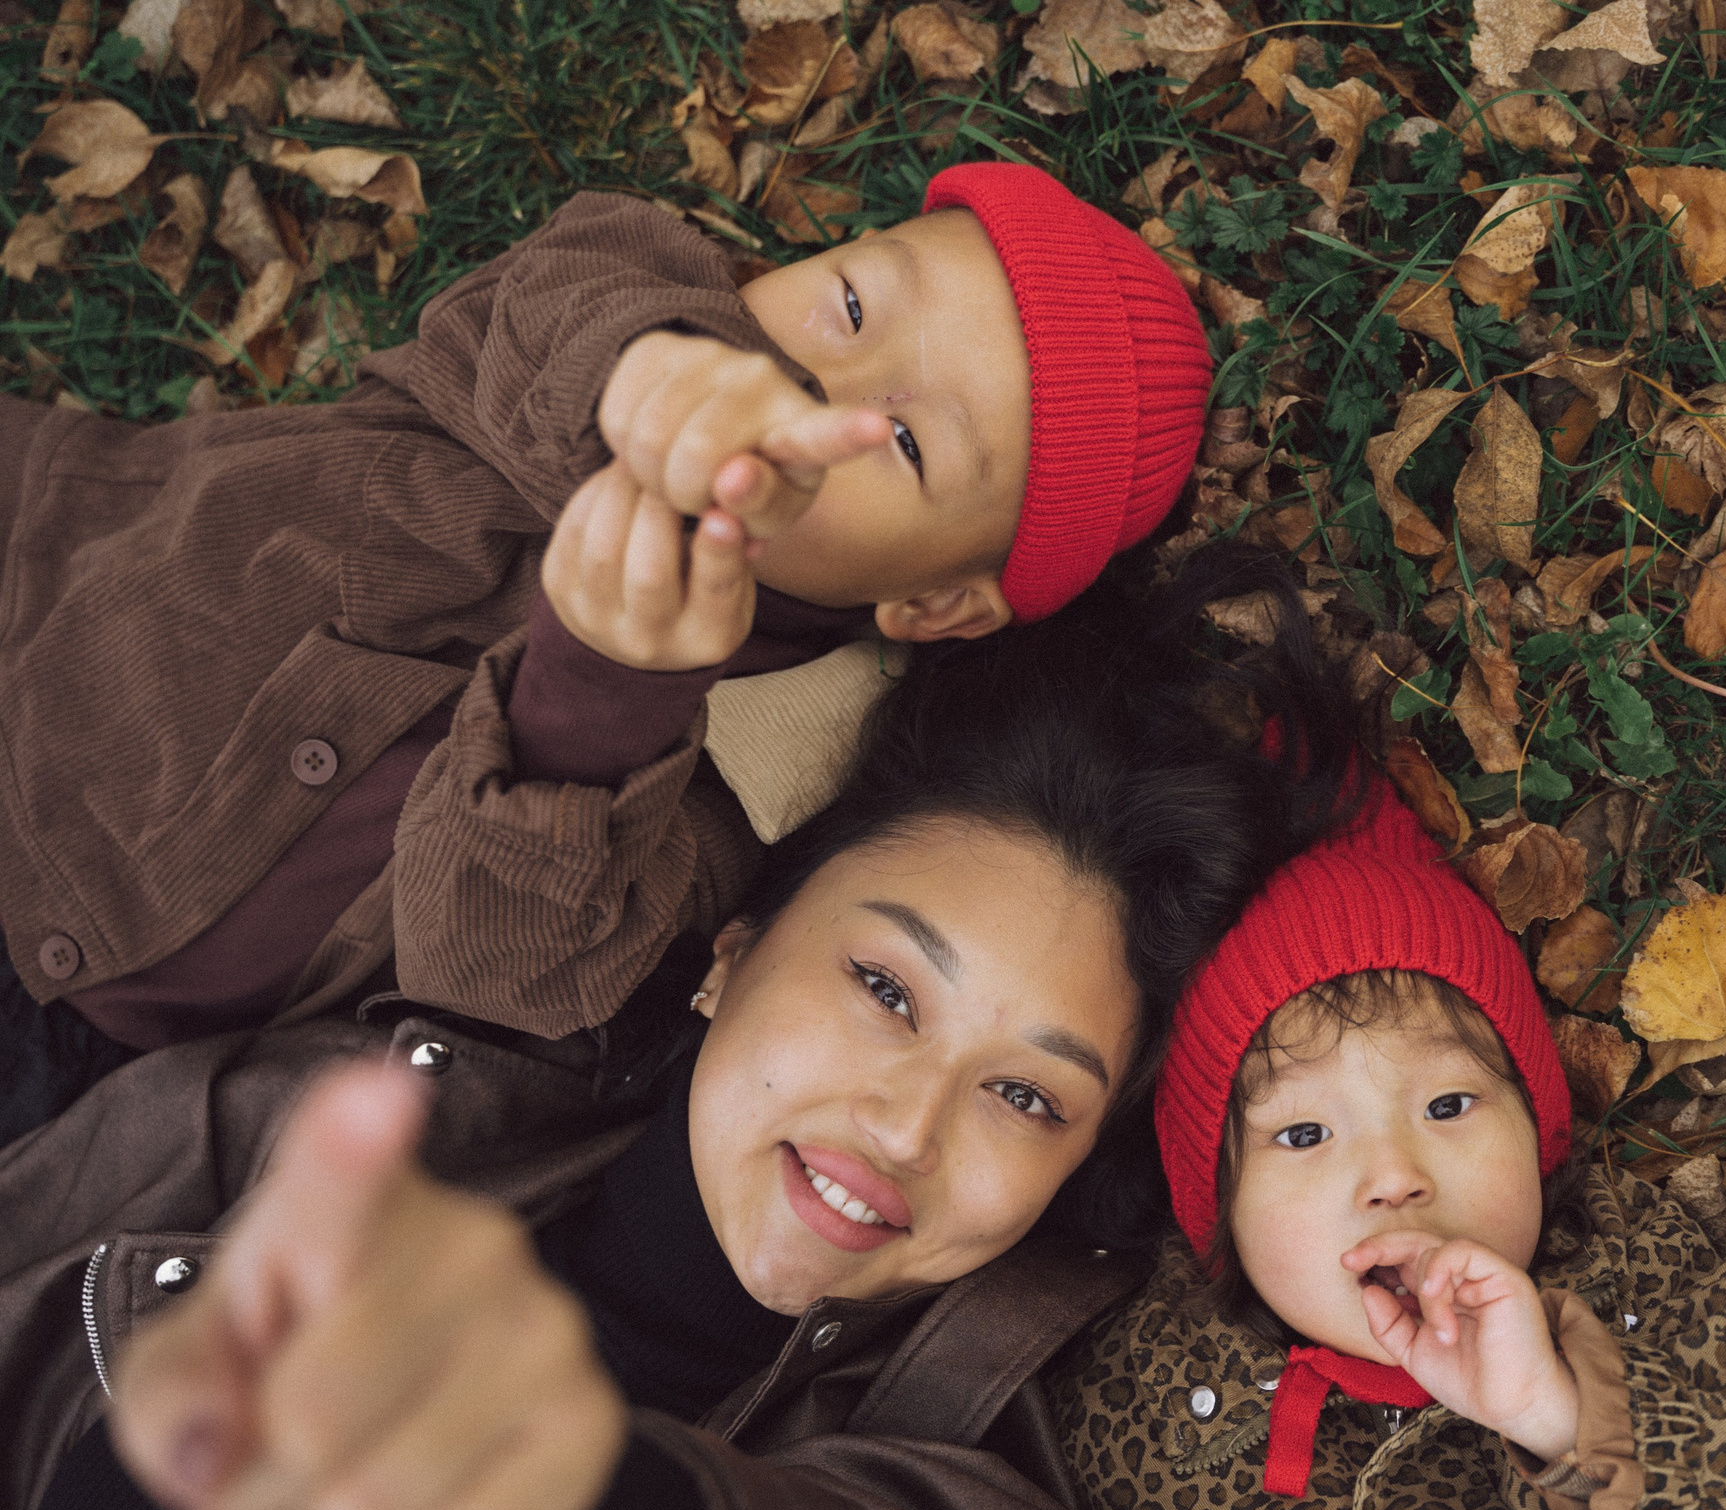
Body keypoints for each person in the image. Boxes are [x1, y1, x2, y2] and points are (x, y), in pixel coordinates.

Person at [0, 551, 1353, 1510]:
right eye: (885, 987)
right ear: (730, 952)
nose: (905, 1119)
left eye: (1026, 1095)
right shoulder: (327, 1108)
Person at [0, 160, 1211, 1142]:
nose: (815, 377)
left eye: (899, 441)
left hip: (83, 1032)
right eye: (848, 304)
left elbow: (494, 981)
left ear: (938, 607)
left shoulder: (767, 791)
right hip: (42, 583)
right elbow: (552, 299)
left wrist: (601, 697)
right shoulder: (626, 309)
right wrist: (653, 379)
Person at [1050, 782, 1726, 1510]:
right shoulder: (1142, 1363)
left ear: (1539, 1128)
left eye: (1448, 1105)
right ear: (1219, 1215)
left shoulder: (1627, 1277)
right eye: (1305, 1134)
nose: (1393, 1172)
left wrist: (1563, 1415)